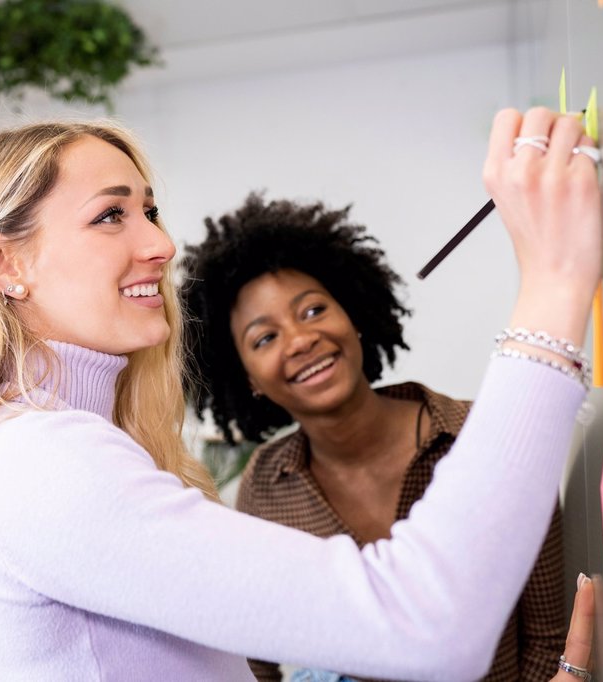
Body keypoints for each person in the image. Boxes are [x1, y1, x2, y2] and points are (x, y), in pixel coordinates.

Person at [0, 109, 600, 680]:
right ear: (4, 264)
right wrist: (555, 282)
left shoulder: (59, 450)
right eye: (110, 214)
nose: (161, 246)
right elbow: (424, 622)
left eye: (149, 211)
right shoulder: (37, 463)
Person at [181, 195, 567, 682]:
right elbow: (258, 659)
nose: (300, 340)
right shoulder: (267, 484)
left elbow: (548, 637)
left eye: (314, 309)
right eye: (264, 338)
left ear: (355, 315)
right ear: (247, 378)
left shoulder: (484, 440)